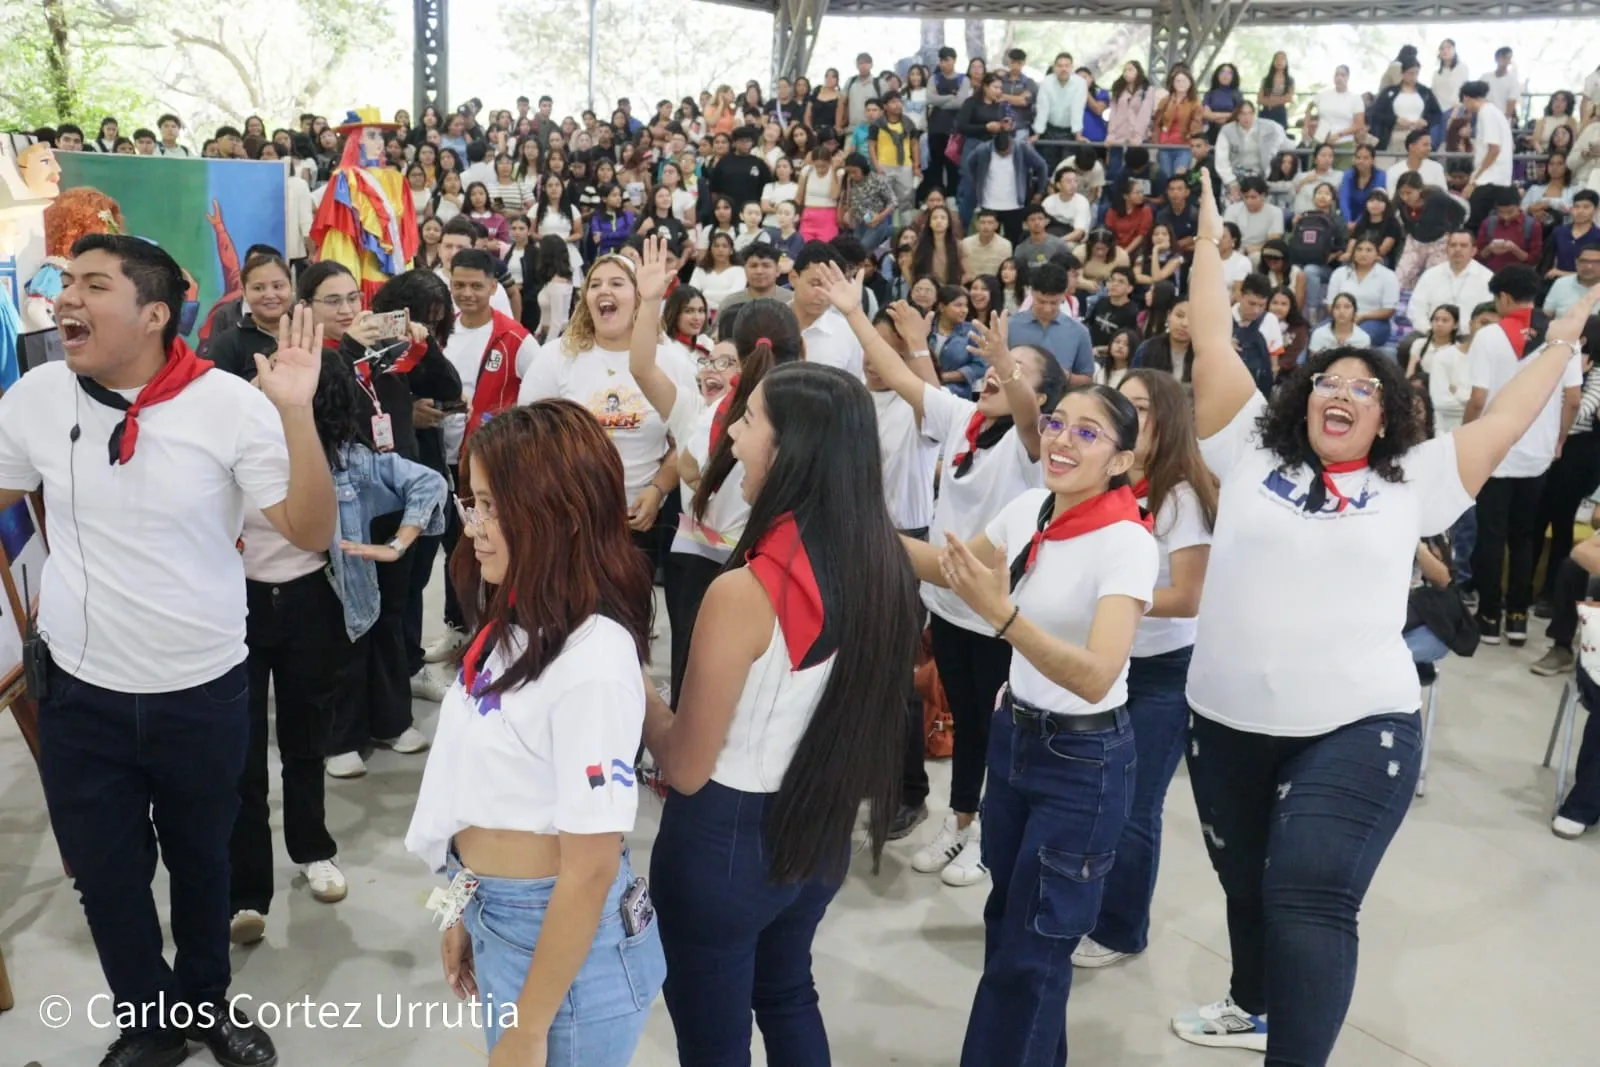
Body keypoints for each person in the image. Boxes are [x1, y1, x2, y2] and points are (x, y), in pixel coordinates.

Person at [1172, 185, 1599, 1063]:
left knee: (1309, 896)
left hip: (1357, 725)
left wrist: (1563, 340)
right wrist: (1210, 242)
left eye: (1366, 389)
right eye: (1329, 379)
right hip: (1224, 720)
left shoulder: (1416, 477)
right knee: (1246, 890)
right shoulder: (1248, 445)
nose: (1344, 392)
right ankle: (1251, 1005)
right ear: (1301, 397)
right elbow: (1213, 336)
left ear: (1388, 414)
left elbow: (1512, 413)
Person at [0, 236, 339, 1067]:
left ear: (154, 313)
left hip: (203, 687)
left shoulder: (230, 403)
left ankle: (205, 1003)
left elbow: (309, 528)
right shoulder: (38, 396)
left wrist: (295, 410)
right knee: (106, 874)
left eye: (93, 285)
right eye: (65, 283)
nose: (67, 299)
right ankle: (150, 1021)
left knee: (203, 859)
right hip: (79, 692)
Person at [643, 351, 920, 1063]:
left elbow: (687, 764)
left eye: (752, 416)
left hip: (725, 840)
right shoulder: (880, 562)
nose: (733, 430)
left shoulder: (746, 593)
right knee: (789, 992)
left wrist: (630, 679)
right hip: (818, 830)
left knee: (713, 1041)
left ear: (791, 445)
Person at [904, 371, 1156, 1066]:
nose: (1063, 440)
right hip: (1017, 740)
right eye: (1056, 423)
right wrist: (858, 528)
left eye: (1087, 432)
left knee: (1032, 948)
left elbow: (1099, 670)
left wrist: (1003, 617)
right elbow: (950, 567)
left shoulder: (1126, 541)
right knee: (1015, 931)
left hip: (1083, 764)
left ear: (1123, 460)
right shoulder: (1031, 508)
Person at [404, 402, 665, 1066]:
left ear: (561, 515)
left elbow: (591, 867)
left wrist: (526, 1028)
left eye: (493, 507)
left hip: (562, 957)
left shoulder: (592, 660)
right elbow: (470, 792)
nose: (476, 528)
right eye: (473, 503)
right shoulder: (511, 620)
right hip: (503, 920)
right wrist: (458, 907)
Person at [230, 345, 447, 942]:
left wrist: (400, 543)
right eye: (261, 374)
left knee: (306, 743)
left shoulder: (344, 459)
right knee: (240, 756)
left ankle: (312, 851)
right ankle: (245, 890)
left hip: (314, 605)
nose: (263, 386)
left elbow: (426, 481)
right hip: (234, 611)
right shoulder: (227, 452)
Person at [858, 293, 1066, 892]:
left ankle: (988, 837)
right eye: (998, 366)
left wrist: (1007, 364)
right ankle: (961, 818)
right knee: (969, 724)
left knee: (997, 729)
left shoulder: (1035, 447)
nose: (1001, 375)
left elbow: (1027, 414)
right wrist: (852, 311)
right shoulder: (959, 418)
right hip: (947, 605)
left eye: (1017, 370)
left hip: (998, 616)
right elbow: (896, 373)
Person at [1072, 367, 1216, 970]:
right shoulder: (1110, 487)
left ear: (1166, 419)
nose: (1126, 417)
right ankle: (1089, 907)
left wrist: (1115, 599)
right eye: (1118, 406)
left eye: (1139, 407)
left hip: (1162, 670)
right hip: (1110, 663)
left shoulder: (1181, 495)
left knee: (1136, 807)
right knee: (1094, 796)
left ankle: (1122, 929)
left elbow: (1189, 596)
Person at [520, 252, 696, 573]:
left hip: (638, 519)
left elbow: (686, 443)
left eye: (617, 283)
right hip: (567, 517)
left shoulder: (673, 359)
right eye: (595, 284)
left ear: (639, 296)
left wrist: (658, 490)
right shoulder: (555, 356)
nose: (605, 291)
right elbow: (526, 437)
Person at [1008, 262, 1094, 385]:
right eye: (1041, 301)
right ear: (1031, 292)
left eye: (1054, 303)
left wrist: (1066, 376)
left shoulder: (1079, 332)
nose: (1047, 309)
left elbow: (1087, 379)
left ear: (1064, 294)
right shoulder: (1010, 326)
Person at [960, 129, 1049, 243]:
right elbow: (969, 164)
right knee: (989, 241)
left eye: (1006, 152)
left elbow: (1042, 166)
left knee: (1014, 239)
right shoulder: (983, 149)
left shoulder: (1022, 148)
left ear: (1011, 143)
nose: (1003, 154)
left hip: (1014, 205)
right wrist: (977, 183)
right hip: (989, 204)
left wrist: (1040, 191)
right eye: (1000, 152)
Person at [1459, 80, 1515, 232]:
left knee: (1472, 227)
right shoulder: (1494, 112)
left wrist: (1474, 180)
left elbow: (1494, 149)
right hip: (1497, 178)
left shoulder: (1486, 113)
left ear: (1466, 98)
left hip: (1489, 179)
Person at [1409, 229, 1492, 330]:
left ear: (1474, 251)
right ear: (1446, 249)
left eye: (1463, 245)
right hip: (1431, 334)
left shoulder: (1487, 278)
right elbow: (1416, 310)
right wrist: (1430, 331)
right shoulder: (1431, 275)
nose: (1457, 249)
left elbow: (1487, 316)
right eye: (1453, 245)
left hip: (1469, 338)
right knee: (1407, 345)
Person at [1327, 238, 1399, 348]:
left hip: (1374, 320)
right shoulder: (1339, 273)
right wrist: (1344, 317)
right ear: (1353, 253)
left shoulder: (1388, 276)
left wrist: (1363, 316)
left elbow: (1389, 310)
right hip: (1340, 318)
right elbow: (1330, 304)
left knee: (1355, 339)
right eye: (1359, 249)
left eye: (1369, 250)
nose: (1363, 254)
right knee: (1316, 334)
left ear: (1377, 255)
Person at [963, 208, 1015, 279]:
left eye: (990, 223)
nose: (986, 226)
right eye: (982, 222)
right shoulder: (966, 243)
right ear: (977, 225)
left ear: (996, 225)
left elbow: (1005, 272)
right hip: (972, 284)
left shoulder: (1005, 245)